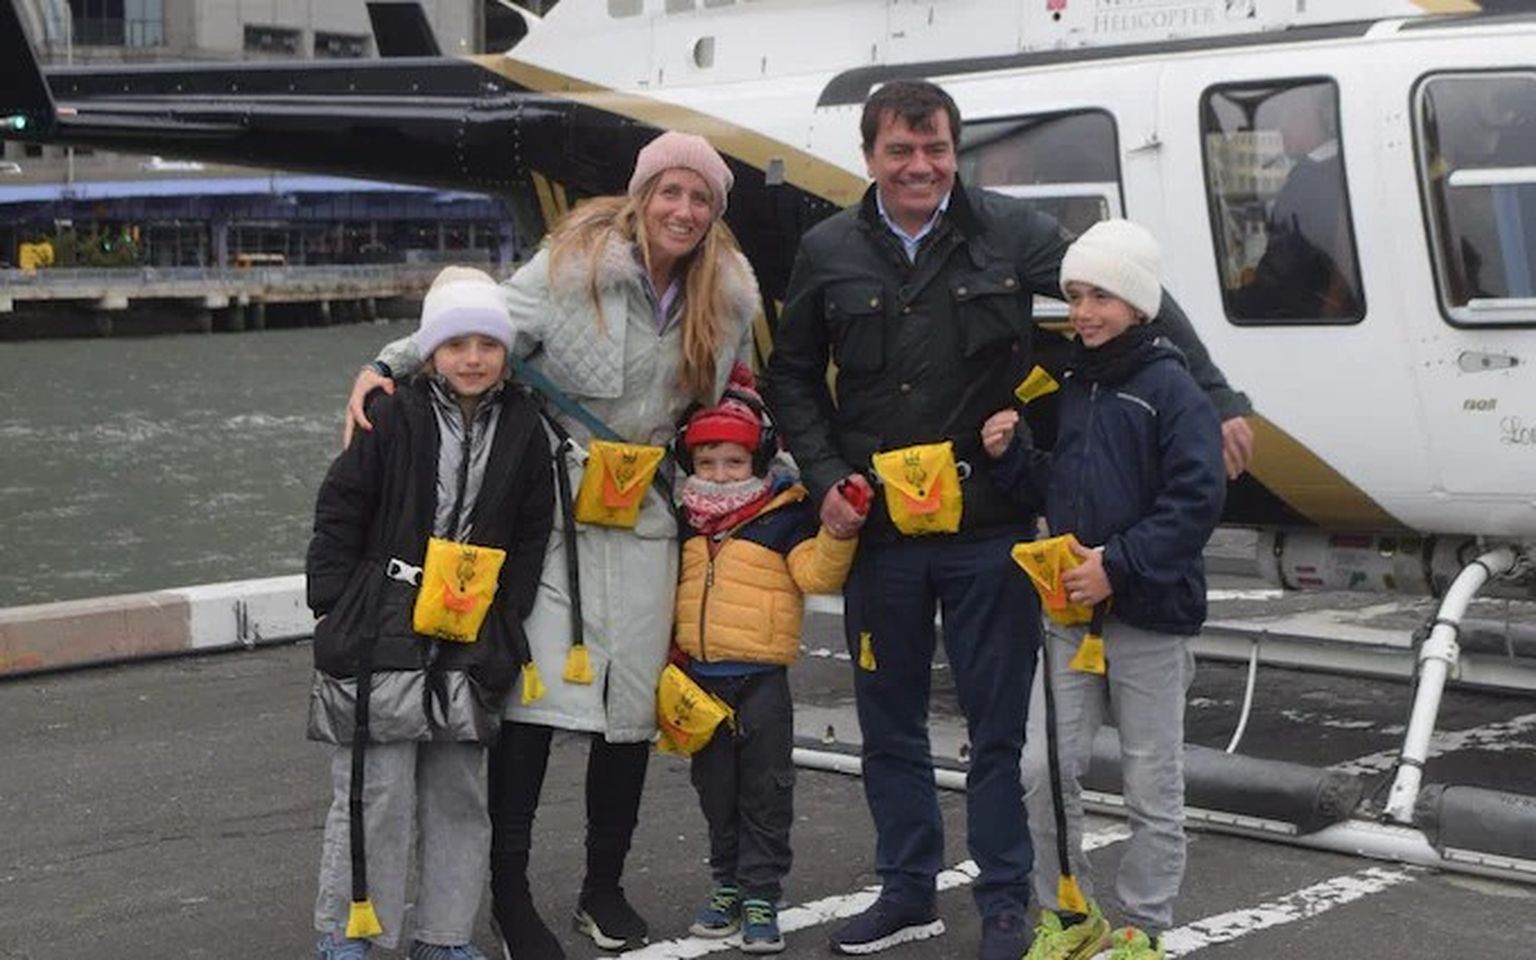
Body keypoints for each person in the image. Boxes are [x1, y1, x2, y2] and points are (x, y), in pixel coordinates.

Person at [762, 80, 1252, 960]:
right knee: (890, 722)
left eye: (936, 149)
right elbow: (791, 374)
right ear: (869, 155)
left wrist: (1215, 397)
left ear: (957, 150)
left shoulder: (1011, 233)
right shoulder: (827, 250)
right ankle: (907, 889)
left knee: (1001, 730)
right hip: (881, 532)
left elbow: (1135, 290)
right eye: (900, 150)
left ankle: (1003, 902)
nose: (920, 166)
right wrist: (828, 476)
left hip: (990, 526)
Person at [343, 131, 760, 960]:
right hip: (552, 508)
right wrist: (384, 364)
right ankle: (510, 894)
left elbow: (734, 396)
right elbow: (481, 325)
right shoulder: (571, 268)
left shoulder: (728, 298)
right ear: (642, 195)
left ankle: (603, 887)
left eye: (700, 198)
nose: (682, 210)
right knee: (529, 704)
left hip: (645, 515)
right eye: (669, 191)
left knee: (629, 710)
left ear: (714, 213)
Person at [981, 219, 1226, 960]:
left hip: (1149, 617)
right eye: (1076, 296)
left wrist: (1116, 565)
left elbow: (1197, 500)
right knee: (1041, 770)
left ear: (1139, 305)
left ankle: (1144, 928)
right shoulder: (1074, 381)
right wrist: (1010, 458)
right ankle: (1069, 914)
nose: (1083, 313)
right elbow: (1061, 482)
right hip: (1069, 612)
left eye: (1102, 297)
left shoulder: (1173, 390)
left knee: (1152, 781)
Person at [307, 266, 556, 960]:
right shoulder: (392, 413)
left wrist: (508, 610)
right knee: (374, 787)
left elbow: (534, 527)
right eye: (455, 344)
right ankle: (350, 930)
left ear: (507, 351)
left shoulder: (526, 426)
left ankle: (443, 936)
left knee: (458, 791)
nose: (473, 358)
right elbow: (341, 506)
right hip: (381, 620)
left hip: (471, 625)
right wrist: (333, 602)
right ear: (430, 351)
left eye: (488, 344)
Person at [671, 365, 859, 955]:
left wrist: (838, 533)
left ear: (758, 457)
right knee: (715, 792)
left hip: (761, 681)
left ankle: (760, 894)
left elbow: (816, 575)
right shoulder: (683, 520)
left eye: (733, 461)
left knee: (766, 792)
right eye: (706, 461)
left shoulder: (784, 515)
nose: (719, 473)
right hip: (700, 684)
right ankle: (726, 883)